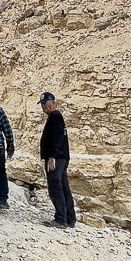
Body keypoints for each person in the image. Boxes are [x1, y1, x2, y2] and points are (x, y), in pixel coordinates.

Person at [38, 92, 77, 228]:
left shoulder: (55, 116)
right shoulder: (57, 117)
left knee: (55, 188)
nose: (43, 107)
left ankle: (60, 219)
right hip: (62, 157)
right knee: (64, 187)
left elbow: (57, 138)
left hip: (56, 158)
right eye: (42, 104)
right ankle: (70, 218)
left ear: (54, 103)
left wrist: (52, 157)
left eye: (46, 103)